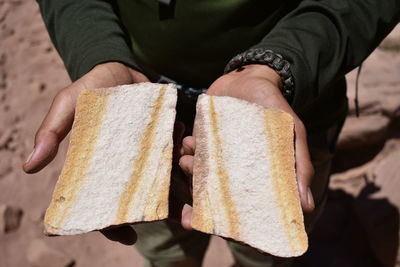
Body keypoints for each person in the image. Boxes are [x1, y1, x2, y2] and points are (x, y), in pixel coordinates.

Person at [23, 1, 399, 266]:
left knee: (264, 253)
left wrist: (277, 66)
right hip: (141, 116)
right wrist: (99, 55)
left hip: (280, 110)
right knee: (165, 249)